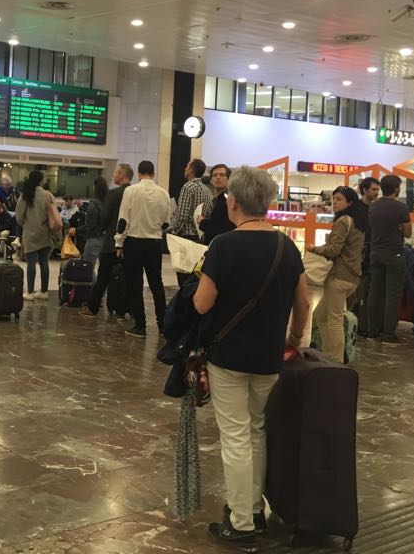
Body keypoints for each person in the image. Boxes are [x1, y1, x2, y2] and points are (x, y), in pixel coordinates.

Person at [192, 165, 309, 548]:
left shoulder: (224, 246)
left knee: (236, 436)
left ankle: (240, 522)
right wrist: (293, 337)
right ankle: (255, 510)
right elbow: (303, 302)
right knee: (256, 430)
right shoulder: (286, 246)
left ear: (234, 202)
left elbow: (202, 303)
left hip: (229, 356)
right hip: (269, 355)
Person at [308, 186, 366, 363]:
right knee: (320, 315)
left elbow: (334, 250)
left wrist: (314, 249)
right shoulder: (359, 222)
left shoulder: (343, 221)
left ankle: (336, 358)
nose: (335, 203)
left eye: (339, 199)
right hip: (353, 276)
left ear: (349, 202)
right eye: (334, 199)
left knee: (334, 319)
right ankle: (329, 352)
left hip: (339, 276)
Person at [116, 160, 172, 338]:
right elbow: (166, 222)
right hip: (154, 243)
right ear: (153, 174)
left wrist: (119, 243)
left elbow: (123, 220)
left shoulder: (131, 191)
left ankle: (140, 326)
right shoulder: (163, 193)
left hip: (134, 242)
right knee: (157, 284)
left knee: (135, 284)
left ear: (139, 174)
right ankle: (163, 325)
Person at [82, 165, 133, 319]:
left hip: (112, 241)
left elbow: (104, 218)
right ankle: (128, 309)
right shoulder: (135, 193)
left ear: (122, 175)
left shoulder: (113, 193)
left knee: (103, 276)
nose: (113, 176)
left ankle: (92, 308)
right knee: (131, 277)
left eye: (116, 172)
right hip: (131, 242)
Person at [367, 174, 411, 345]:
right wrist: (398, 228)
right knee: (392, 294)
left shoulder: (373, 206)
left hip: (375, 252)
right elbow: (407, 232)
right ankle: (388, 333)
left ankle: (372, 331)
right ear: (397, 188)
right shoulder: (401, 207)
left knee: (374, 292)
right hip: (394, 254)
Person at [16, 170, 57, 301]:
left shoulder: (25, 195)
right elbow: (54, 213)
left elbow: (18, 217)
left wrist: (26, 225)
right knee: (44, 262)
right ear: (40, 181)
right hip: (45, 233)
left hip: (30, 233)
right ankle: (44, 291)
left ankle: (29, 292)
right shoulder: (48, 195)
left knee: (31, 263)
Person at [353, 177, 380, 335]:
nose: (376, 193)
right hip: (360, 254)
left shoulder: (376, 208)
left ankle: (366, 323)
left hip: (372, 253)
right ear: (364, 190)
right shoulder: (357, 208)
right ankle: (361, 322)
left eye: (378, 190)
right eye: (374, 189)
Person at [170, 160, 212, 246]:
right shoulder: (207, 190)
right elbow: (208, 213)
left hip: (186, 236)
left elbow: (182, 215)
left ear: (191, 170)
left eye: (187, 167)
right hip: (200, 235)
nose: (185, 169)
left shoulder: (188, 187)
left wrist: (174, 231)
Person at [71, 177, 108, 265]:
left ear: (95, 188)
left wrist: (76, 230)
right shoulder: (108, 202)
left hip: (94, 238)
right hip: (107, 239)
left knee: (87, 268)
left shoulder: (93, 205)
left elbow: (89, 225)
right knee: (104, 269)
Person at [198, 163, 235, 244]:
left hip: (222, 246)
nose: (218, 177)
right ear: (211, 179)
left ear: (228, 179)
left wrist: (202, 222)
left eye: (222, 175)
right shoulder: (216, 199)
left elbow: (224, 230)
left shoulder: (229, 199)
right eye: (215, 175)